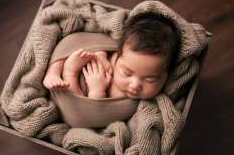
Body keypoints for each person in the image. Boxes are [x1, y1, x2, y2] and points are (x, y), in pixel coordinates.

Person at [43, 12, 179, 100]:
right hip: (71, 64)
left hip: (71, 90)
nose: (135, 84)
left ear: (167, 74)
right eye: (126, 72)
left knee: (66, 89)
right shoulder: (118, 51)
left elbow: (83, 115)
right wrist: (100, 54)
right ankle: (52, 72)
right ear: (119, 55)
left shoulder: (122, 98)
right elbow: (75, 41)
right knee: (68, 45)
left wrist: (96, 91)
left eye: (150, 79)